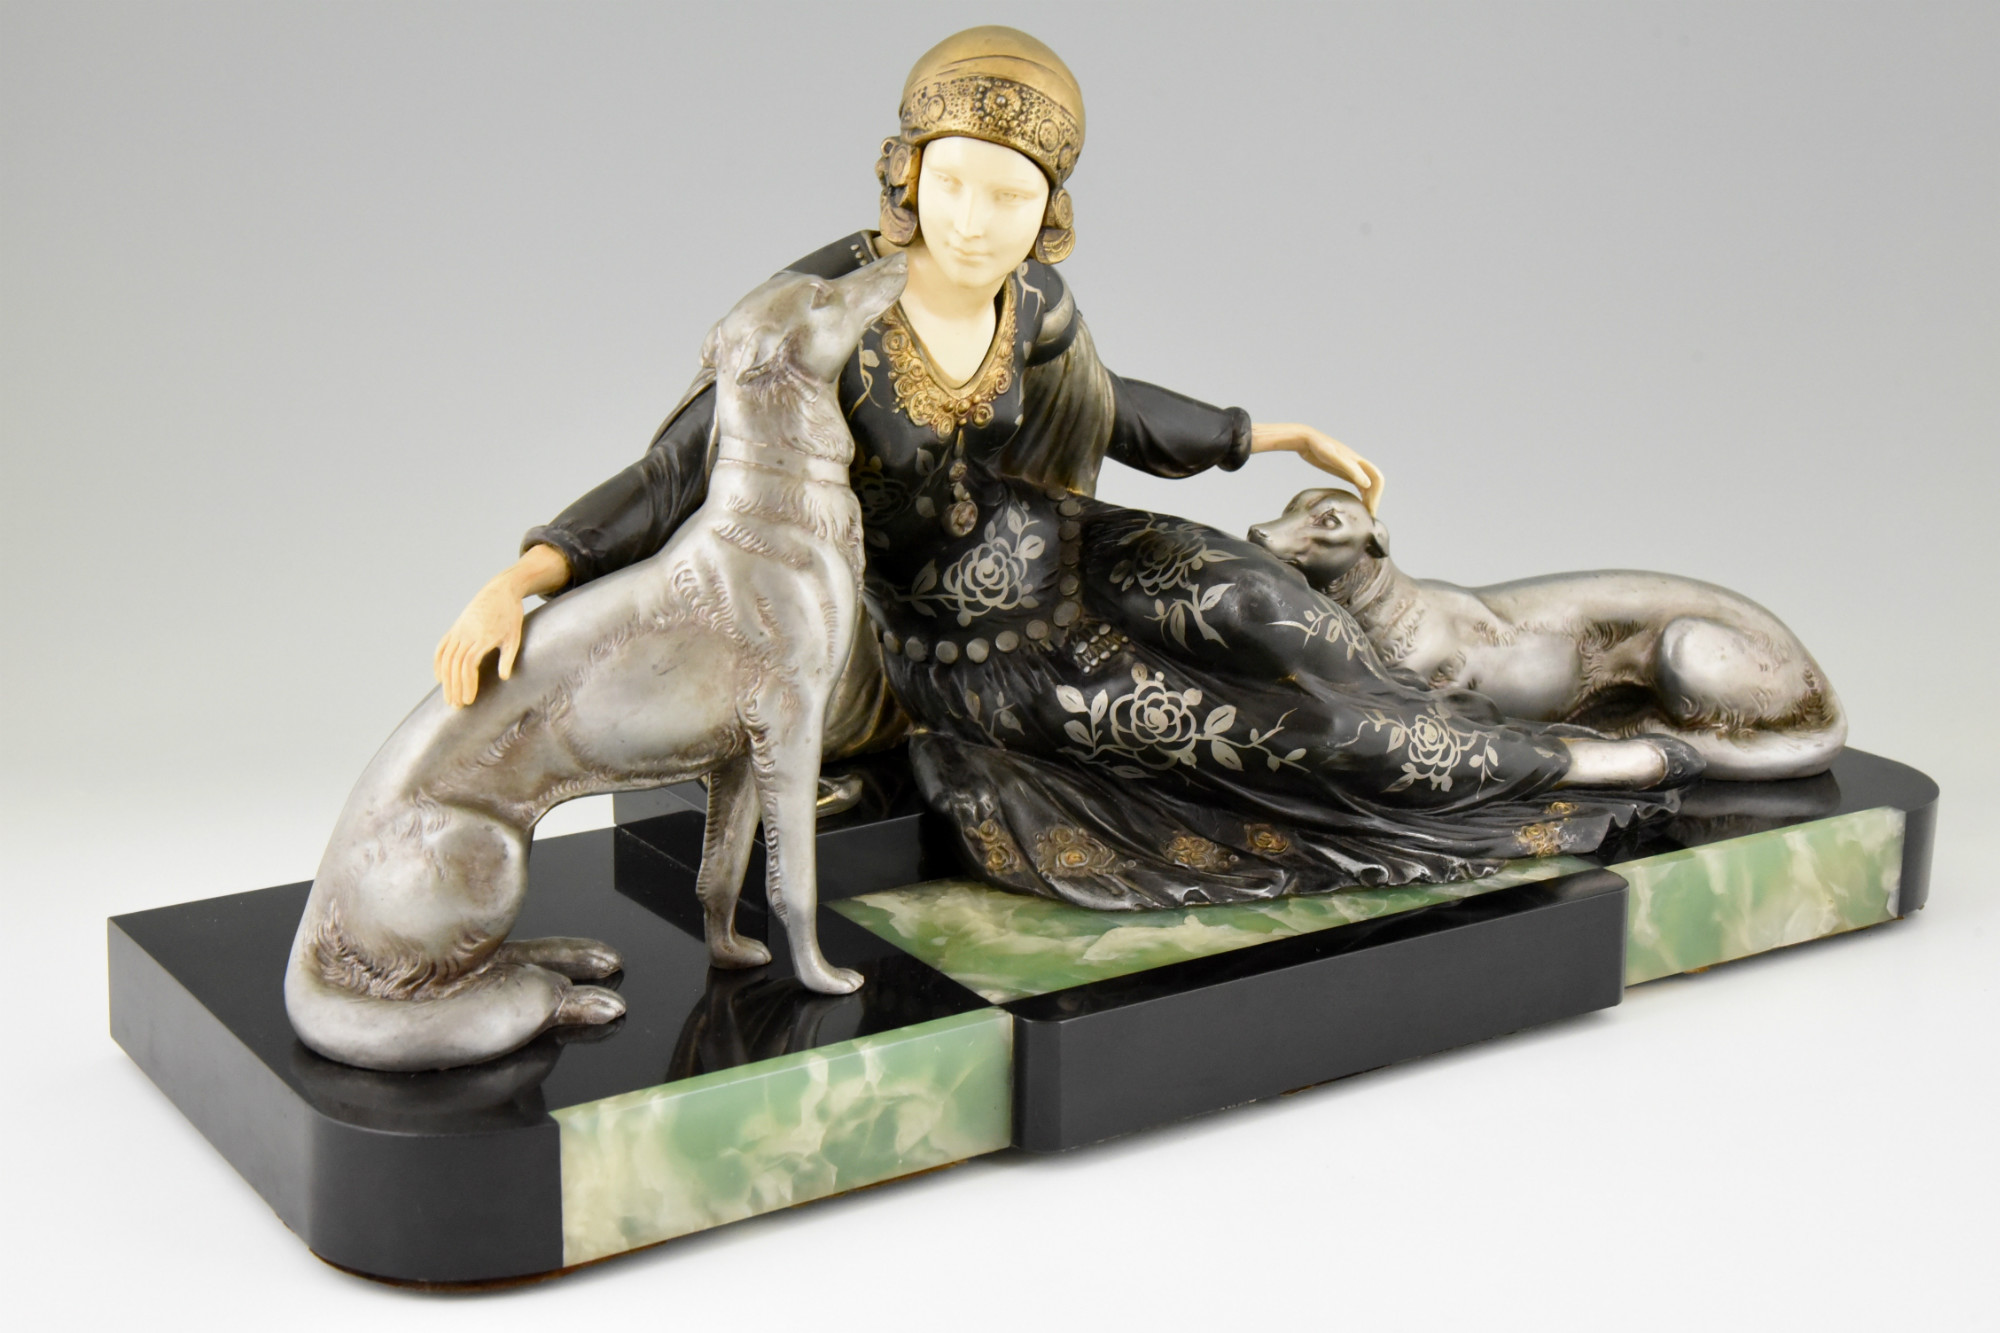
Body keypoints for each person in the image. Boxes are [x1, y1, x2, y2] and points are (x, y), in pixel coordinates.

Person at [432, 26, 1697, 910]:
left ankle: (1479, 726)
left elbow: (1111, 410)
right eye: (953, 187)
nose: (974, 222)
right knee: (1251, 735)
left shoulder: (1033, 303)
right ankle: (1558, 767)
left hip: (1071, 548)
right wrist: (521, 578)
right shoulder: (818, 318)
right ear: (906, 176)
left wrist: (1267, 433)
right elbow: (674, 469)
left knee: (1272, 613)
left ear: (1050, 211)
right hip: (952, 646)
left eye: (1010, 198)